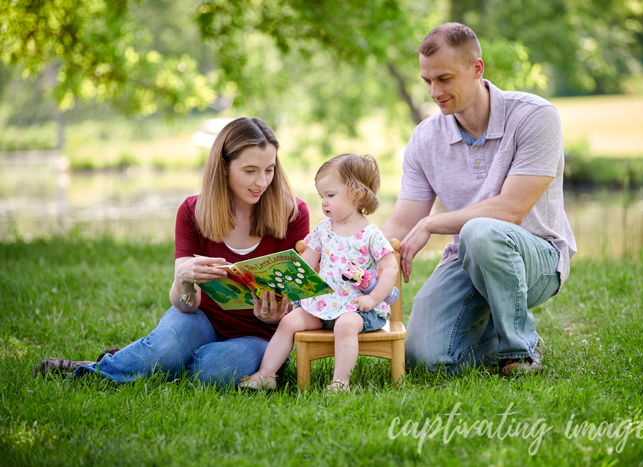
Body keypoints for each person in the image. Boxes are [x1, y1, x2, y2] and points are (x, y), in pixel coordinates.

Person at [33, 117, 310, 388]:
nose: (261, 182)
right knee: (168, 349)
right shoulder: (193, 212)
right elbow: (185, 305)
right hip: (201, 319)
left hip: (261, 336)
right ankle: (99, 370)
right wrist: (184, 279)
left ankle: (144, 359)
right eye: (250, 171)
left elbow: (298, 299)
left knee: (212, 372)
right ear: (224, 166)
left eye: (269, 170)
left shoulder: (292, 213)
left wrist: (279, 313)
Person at [382, 23, 577, 376]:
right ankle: (494, 332)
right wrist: (348, 253)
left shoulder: (535, 116)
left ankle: (521, 349)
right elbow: (401, 222)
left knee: (480, 231)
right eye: (427, 81)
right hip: (465, 261)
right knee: (424, 360)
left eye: (443, 79)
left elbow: (511, 210)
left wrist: (433, 223)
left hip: (537, 258)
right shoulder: (425, 138)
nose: (434, 91)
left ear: (476, 69)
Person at [237, 153, 399, 392]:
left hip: (358, 308)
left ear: (356, 194)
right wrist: (277, 286)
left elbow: (390, 268)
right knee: (290, 321)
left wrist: (372, 299)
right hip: (323, 305)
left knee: (345, 325)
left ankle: (341, 381)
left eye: (330, 195)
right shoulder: (323, 230)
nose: (324, 202)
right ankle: (265, 375)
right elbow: (302, 266)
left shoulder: (370, 234)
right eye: (322, 196)